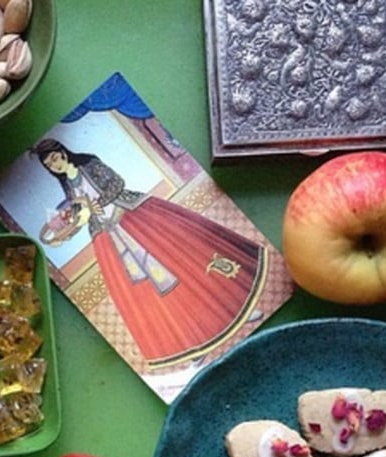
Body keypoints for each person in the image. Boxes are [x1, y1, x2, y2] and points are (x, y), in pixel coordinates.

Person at [32, 138, 267, 366]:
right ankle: (192, 345)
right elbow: (80, 215)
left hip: (135, 217)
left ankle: (240, 311)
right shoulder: (67, 185)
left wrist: (96, 205)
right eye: (49, 165)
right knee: (153, 293)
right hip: (111, 238)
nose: (54, 165)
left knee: (185, 263)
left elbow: (116, 183)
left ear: (62, 152)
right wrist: (66, 234)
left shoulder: (89, 163)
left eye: (54, 158)